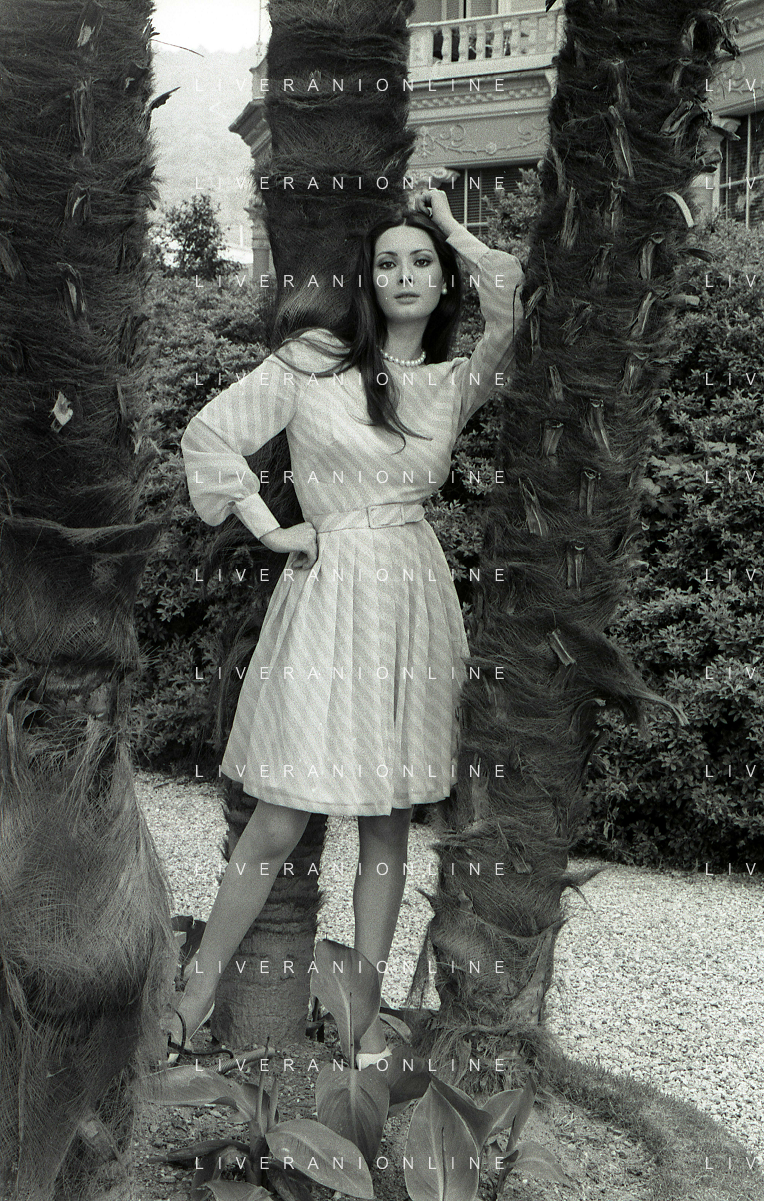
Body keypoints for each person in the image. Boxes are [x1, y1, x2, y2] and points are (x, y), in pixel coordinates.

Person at [170, 187, 524, 1067]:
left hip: (410, 600)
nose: (404, 275)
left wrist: (453, 227)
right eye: (387, 262)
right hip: (329, 597)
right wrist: (270, 527)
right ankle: (194, 997)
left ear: (442, 282)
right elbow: (210, 434)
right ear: (365, 282)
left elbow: (511, 297)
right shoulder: (313, 365)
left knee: (387, 825)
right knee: (279, 814)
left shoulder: (452, 385)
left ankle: (359, 1022)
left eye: (421, 263)